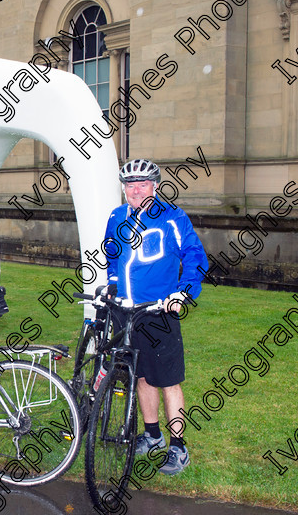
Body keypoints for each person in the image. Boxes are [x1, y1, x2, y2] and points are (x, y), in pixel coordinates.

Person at [103, 158, 208, 475]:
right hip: (125, 311)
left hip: (159, 312)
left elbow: (196, 258)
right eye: (130, 185)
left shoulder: (173, 218)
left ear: (155, 187)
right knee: (140, 376)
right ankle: (152, 435)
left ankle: (178, 447)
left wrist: (182, 293)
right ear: (123, 190)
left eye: (143, 184)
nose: (135, 190)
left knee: (168, 380)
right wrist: (111, 284)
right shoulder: (117, 216)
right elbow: (111, 253)